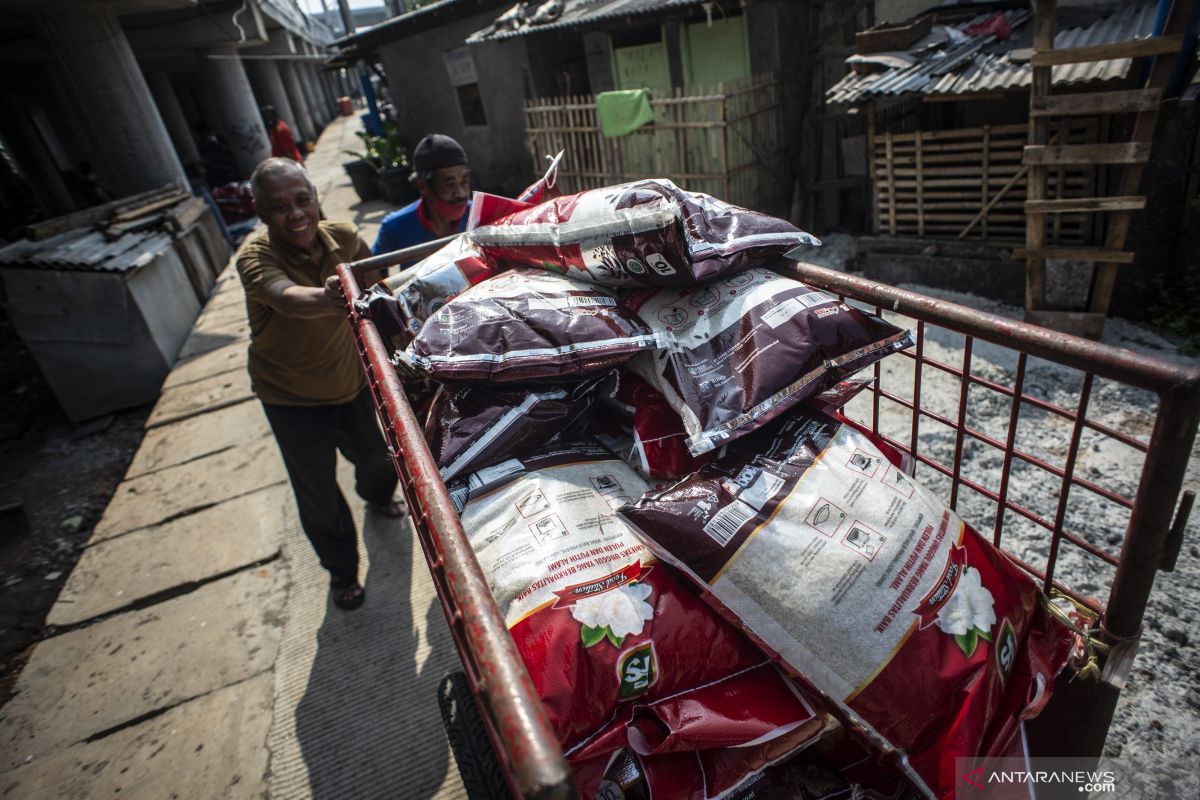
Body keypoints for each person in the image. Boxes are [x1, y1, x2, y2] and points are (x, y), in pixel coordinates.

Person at [236, 157, 403, 611]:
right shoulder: (256, 257)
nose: (295, 214)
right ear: (261, 212)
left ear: (316, 198)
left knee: (380, 460)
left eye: (302, 200)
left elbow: (381, 279)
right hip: (290, 396)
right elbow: (283, 297)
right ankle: (342, 571)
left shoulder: (345, 237)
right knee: (318, 494)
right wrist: (331, 294)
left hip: (351, 381)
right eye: (279, 206)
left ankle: (378, 498)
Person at [372, 133, 471, 262]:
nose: (461, 193)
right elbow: (370, 270)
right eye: (449, 184)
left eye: (464, 181)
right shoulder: (395, 226)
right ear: (423, 186)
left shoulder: (480, 215)